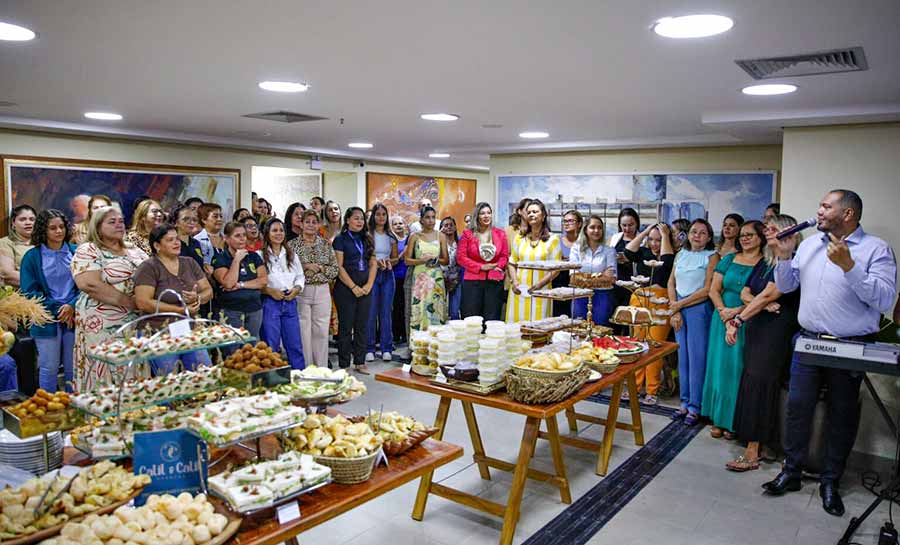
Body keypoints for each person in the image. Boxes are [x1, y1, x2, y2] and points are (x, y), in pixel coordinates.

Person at [763, 190, 897, 517]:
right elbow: (789, 285)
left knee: (842, 414)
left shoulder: (875, 249)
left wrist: (850, 266)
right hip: (807, 341)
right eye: (820, 205)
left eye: (826, 206)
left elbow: (884, 300)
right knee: (797, 408)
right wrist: (782, 257)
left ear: (848, 214)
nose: (819, 211)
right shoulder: (809, 244)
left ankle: (830, 480)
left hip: (849, 345)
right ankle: (791, 471)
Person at [725, 214, 802, 472]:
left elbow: (772, 292)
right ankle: (763, 442)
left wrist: (740, 318)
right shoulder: (765, 260)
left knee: (763, 383)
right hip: (759, 326)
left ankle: (753, 451)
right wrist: (763, 304)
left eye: (771, 229)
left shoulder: (791, 261)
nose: (766, 233)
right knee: (753, 380)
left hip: (776, 330)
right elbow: (747, 293)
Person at [72, 206, 149, 392]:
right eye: (112, 222)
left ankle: (133, 415)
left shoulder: (134, 249)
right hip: (100, 322)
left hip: (136, 321)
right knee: (103, 370)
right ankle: (102, 417)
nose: (119, 225)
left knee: (133, 367)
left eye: (121, 221)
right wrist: (131, 303)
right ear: (98, 227)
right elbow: (89, 284)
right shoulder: (89, 250)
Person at [702, 220, 765, 439]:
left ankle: (734, 420)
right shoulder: (728, 259)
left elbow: (762, 298)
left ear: (761, 237)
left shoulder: (765, 263)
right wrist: (723, 312)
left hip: (747, 320)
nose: (745, 238)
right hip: (721, 321)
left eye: (750, 235)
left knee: (737, 369)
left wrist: (736, 312)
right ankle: (717, 417)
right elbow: (713, 290)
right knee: (719, 367)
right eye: (742, 235)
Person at [133, 224, 213, 375]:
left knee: (204, 375)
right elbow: (143, 302)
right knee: (169, 383)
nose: (177, 243)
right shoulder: (148, 267)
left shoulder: (189, 262)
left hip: (189, 329)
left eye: (177, 239)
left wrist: (198, 298)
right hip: (158, 332)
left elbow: (208, 291)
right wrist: (181, 310)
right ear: (157, 245)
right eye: (170, 240)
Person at [20, 210, 79, 392]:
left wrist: (72, 306)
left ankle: (74, 407)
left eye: (61, 227)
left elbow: (85, 286)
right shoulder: (31, 257)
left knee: (74, 368)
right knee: (49, 367)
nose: (59, 231)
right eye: (52, 228)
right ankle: (48, 408)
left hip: (74, 316)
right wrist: (60, 308)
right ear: (42, 230)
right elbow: (30, 292)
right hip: (45, 317)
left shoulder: (76, 252)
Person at [667, 219, 719, 426]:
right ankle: (684, 402)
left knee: (697, 358)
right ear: (688, 235)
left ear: (709, 237)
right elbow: (671, 282)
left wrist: (679, 305)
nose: (697, 235)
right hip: (679, 308)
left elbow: (707, 290)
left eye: (703, 233)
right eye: (694, 232)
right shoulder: (680, 254)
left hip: (699, 309)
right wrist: (674, 307)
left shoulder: (712, 256)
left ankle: (696, 406)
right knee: (683, 358)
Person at [623, 223, 675, 405]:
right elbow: (628, 251)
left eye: (658, 240)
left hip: (661, 302)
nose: (654, 243)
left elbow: (667, 260)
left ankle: (652, 389)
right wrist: (644, 232)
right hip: (640, 298)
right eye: (651, 239)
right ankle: (634, 387)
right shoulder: (643, 253)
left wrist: (665, 235)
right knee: (636, 344)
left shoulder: (671, 255)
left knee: (654, 347)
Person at [290, 210, 339, 368]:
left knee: (321, 331)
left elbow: (334, 270)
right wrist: (305, 267)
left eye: (314, 222)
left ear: (318, 225)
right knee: (304, 331)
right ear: (301, 224)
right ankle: (306, 368)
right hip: (301, 291)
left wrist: (319, 268)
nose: (311, 225)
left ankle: (322, 368)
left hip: (322, 290)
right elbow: (288, 269)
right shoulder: (292, 245)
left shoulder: (325, 244)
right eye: (307, 221)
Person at [333, 207, 377, 373]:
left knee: (362, 326)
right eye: (356, 218)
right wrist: (352, 286)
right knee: (345, 327)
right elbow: (339, 266)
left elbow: (373, 264)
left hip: (366, 287)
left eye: (361, 219)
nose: (360, 221)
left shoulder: (368, 239)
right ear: (348, 220)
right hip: (346, 288)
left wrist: (368, 285)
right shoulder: (340, 239)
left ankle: (360, 361)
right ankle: (344, 364)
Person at [259, 218, 306, 370]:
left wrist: (297, 289)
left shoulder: (291, 254)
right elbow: (258, 281)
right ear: (267, 234)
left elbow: (300, 276)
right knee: (271, 345)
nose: (278, 233)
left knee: (294, 344)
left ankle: (299, 376)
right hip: (270, 302)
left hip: (290, 300)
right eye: (274, 230)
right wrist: (270, 291)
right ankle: (272, 379)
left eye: (281, 230)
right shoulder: (260, 255)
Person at [506, 199, 562, 322]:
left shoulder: (553, 239)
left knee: (539, 329)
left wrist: (538, 285)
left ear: (543, 216)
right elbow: (512, 262)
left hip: (541, 291)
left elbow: (556, 269)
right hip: (519, 290)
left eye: (535, 212)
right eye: (529, 212)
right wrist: (514, 282)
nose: (532, 214)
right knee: (516, 331)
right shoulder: (519, 238)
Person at [212, 222, 267, 339]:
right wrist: (236, 259)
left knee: (252, 348)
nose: (242, 239)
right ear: (226, 238)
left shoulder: (254, 256)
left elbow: (263, 281)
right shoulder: (220, 258)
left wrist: (241, 285)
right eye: (237, 236)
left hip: (254, 308)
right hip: (231, 310)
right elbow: (228, 283)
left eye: (244, 235)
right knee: (233, 348)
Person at [457, 203, 509, 322]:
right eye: (482, 213)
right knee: (472, 318)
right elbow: (461, 257)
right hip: (472, 282)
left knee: (492, 318)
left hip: (494, 282)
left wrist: (497, 266)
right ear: (477, 216)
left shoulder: (500, 234)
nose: (486, 216)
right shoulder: (467, 234)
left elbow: (504, 256)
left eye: (488, 213)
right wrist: (481, 267)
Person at [404, 206, 449, 331]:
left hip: (436, 278)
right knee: (419, 309)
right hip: (419, 277)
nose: (431, 220)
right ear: (421, 220)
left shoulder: (441, 236)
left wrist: (435, 260)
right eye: (427, 217)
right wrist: (421, 260)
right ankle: (417, 344)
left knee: (436, 308)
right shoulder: (414, 236)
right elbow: (407, 260)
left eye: (433, 217)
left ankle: (435, 343)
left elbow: (446, 260)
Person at [569, 215, 617, 326]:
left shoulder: (609, 251)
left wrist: (584, 277)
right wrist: (601, 275)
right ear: (585, 229)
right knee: (578, 328)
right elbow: (573, 277)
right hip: (579, 296)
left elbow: (612, 278)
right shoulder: (576, 249)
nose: (596, 230)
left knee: (600, 329)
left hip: (602, 297)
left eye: (599, 228)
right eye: (592, 227)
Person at [366, 204, 399, 362]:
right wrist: (375, 262)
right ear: (373, 217)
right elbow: (364, 257)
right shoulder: (367, 235)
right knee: (371, 313)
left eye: (383, 214)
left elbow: (395, 258)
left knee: (386, 313)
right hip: (372, 275)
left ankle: (386, 348)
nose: (380, 217)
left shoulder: (391, 236)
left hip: (387, 275)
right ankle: (369, 348)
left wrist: (388, 261)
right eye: (378, 214)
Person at [610, 208, 640, 326]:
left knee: (631, 318)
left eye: (631, 225)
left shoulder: (643, 239)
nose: (627, 229)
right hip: (617, 284)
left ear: (637, 223)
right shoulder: (615, 238)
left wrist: (630, 259)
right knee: (616, 317)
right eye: (624, 225)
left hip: (634, 284)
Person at [553, 210, 583, 316]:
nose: (566, 223)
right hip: (559, 280)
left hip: (578, 281)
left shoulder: (584, 242)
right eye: (565, 221)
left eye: (570, 221)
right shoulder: (557, 240)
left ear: (579, 224)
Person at [0, 204, 37, 287]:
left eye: (32, 219)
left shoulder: (42, 243)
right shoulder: (5, 243)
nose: (28, 223)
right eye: (22, 219)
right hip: (20, 295)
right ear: (13, 223)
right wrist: (41, 283)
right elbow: (7, 274)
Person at [390, 215, 410, 346]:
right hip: (394, 277)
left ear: (405, 225)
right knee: (396, 307)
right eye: (395, 224)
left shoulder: (410, 239)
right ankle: (396, 334)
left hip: (407, 277)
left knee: (406, 307)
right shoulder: (391, 240)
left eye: (400, 223)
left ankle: (405, 334)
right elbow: (395, 259)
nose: (398, 226)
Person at [440, 216, 462, 321]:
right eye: (445, 225)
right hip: (441, 279)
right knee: (439, 310)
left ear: (455, 227)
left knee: (454, 311)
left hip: (456, 280)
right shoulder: (438, 242)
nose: (449, 227)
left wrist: (456, 280)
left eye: (451, 225)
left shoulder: (460, 242)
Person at [194, 203, 225, 269]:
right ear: (204, 220)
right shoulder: (196, 240)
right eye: (215, 216)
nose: (219, 219)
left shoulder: (228, 238)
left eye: (221, 216)